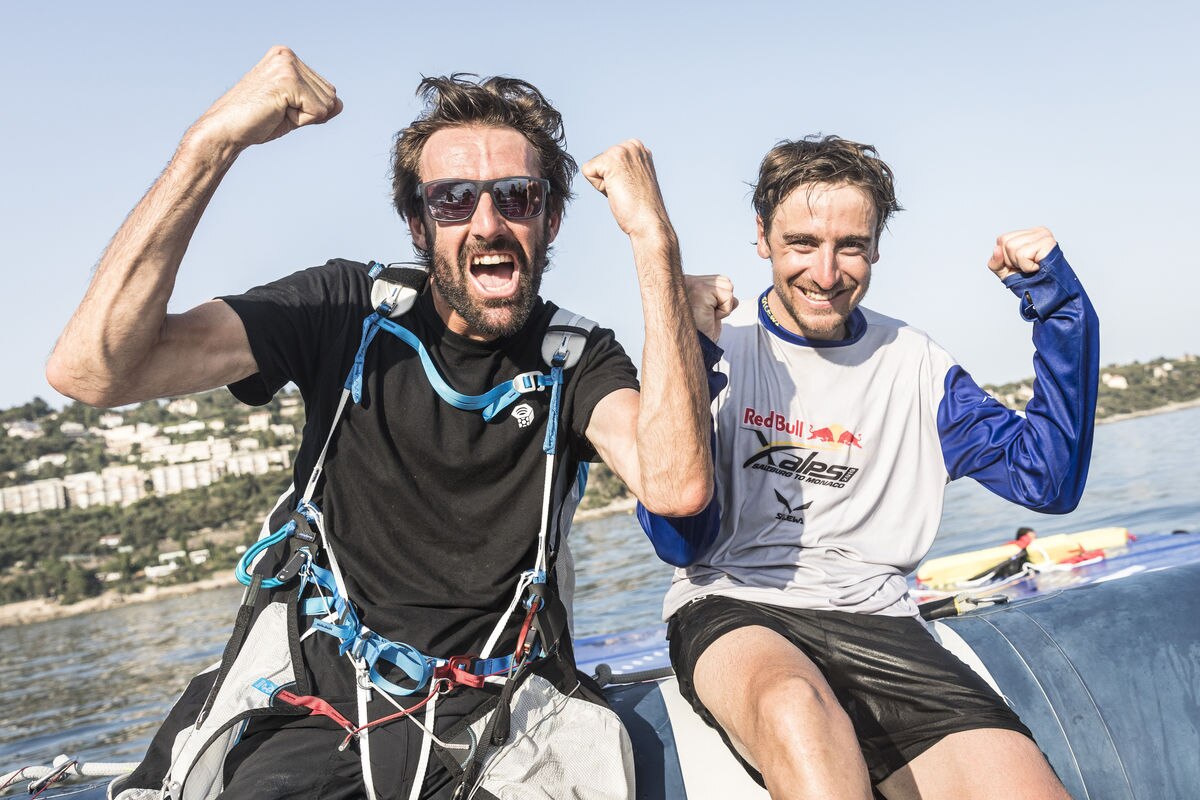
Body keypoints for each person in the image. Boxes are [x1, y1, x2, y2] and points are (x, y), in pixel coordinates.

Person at [46, 47, 712, 799]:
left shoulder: (576, 357)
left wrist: (654, 242)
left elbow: (678, 485)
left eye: (518, 196)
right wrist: (213, 142)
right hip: (318, 709)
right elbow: (93, 371)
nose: (487, 223)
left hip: (505, 721)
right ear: (416, 222)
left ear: (551, 219)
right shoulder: (344, 310)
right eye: (453, 199)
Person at [642, 135, 1097, 799]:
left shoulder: (915, 364)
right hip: (734, 604)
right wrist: (696, 360)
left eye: (850, 246)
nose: (826, 273)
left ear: (876, 247)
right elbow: (677, 539)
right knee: (795, 707)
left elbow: (1046, 482)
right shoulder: (715, 339)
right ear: (762, 237)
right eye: (801, 243)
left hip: (882, 623)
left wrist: (1060, 309)